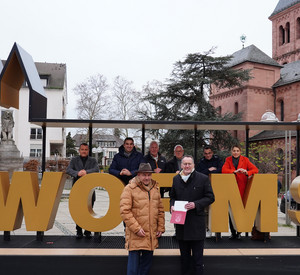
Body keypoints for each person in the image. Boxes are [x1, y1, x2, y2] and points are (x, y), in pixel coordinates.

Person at [170, 156, 215, 275]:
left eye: (189, 164)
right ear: (181, 165)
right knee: (184, 260)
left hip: (196, 226)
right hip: (181, 226)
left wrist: (196, 204)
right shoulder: (176, 179)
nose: (187, 166)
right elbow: (172, 197)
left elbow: (210, 197)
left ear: (193, 165)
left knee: (197, 261)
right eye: (185, 164)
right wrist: (172, 206)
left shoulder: (203, 178)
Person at [120, 163, 165, 275]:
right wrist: (136, 228)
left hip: (150, 235)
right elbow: (125, 211)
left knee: (145, 269)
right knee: (133, 271)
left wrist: (160, 227)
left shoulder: (155, 188)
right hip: (136, 235)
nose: (147, 178)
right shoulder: (129, 189)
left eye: (149, 175)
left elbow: (160, 210)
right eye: (144, 175)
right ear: (138, 175)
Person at [222, 144, 259, 240]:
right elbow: (224, 170)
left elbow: (255, 169)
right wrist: (234, 171)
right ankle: (233, 233)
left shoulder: (245, 160)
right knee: (231, 212)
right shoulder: (228, 160)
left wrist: (247, 172)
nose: (235, 152)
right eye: (234, 150)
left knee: (239, 211)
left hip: (242, 189)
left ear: (240, 151)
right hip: (232, 189)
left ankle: (239, 232)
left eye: (237, 150)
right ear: (231, 151)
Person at [66, 143, 99, 239]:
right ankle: (79, 231)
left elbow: (96, 169)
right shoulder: (74, 160)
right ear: (79, 150)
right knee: (78, 211)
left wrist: (86, 172)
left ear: (88, 151)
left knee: (89, 210)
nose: (84, 151)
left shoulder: (93, 160)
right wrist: (77, 173)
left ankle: (88, 231)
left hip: (89, 189)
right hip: (78, 189)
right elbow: (68, 170)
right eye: (82, 149)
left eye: (86, 149)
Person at [196, 145, 223, 239]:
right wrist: (209, 170)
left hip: (217, 187)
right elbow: (198, 173)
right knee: (205, 210)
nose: (207, 155)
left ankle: (216, 231)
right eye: (206, 153)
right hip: (204, 189)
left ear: (212, 153)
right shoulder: (201, 161)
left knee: (217, 209)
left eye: (209, 153)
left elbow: (221, 170)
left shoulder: (217, 160)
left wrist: (210, 173)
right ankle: (206, 229)